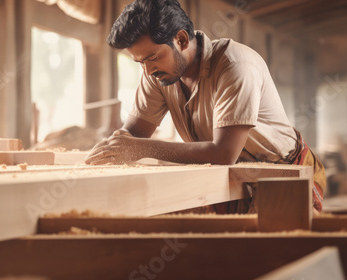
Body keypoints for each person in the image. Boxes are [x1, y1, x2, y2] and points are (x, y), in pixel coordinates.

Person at [84, 0, 326, 212]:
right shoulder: (157, 73)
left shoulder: (235, 65)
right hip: (228, 174)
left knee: (266, 253)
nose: (147, 70)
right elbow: (133, 137)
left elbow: (223, 153)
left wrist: (139, 149)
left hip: (282, 172)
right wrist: (115, 147)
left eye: (153, 57)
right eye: (139, 62)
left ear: (180, 39)